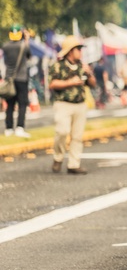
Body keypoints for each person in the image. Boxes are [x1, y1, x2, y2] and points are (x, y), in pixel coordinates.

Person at [48, 36, 96, 174]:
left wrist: (89, 73)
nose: (80, 52)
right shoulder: (58, 65)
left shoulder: (82, 66)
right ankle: (58, 157)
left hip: (80, 104)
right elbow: (52, 84)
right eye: (78, 49)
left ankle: (74, 164)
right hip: (63, 103)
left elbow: (92, 84)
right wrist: (70, 82)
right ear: (70, 51)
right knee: (61, 132)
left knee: (77, 136)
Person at [3, 25, 32, 138]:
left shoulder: (5, 46)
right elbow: (29, 56)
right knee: (22, 104)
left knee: (10, 105)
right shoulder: (24, 46)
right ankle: (20, 127)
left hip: (9, 79)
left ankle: (9, 128)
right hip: (21, 79)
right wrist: (26, 39)